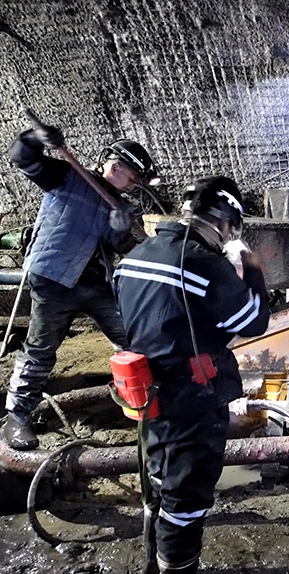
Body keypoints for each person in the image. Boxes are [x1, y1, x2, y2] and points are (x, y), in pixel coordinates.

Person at [114, 175, 270, 574]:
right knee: (186, 501)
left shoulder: (134, 257)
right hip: (192, 403)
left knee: (159, 483)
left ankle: (153, 562)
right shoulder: (205, 264)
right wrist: (252, 267)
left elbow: (129, 320)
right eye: (231, 229)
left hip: (149, 396)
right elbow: (254, 321)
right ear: (224, 222)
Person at [2, 123, 155, 450]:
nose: (132, 186)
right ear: (115, 167)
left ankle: (143, 404)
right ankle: (16, 417)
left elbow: (121, 246)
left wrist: (120, 229)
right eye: (131, 178)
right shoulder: (66, 176)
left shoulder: (121, 205)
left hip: (96, 285)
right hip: (53, 279)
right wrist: (36, 138)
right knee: (41, 350)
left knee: (132, 340)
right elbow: (21, 156)